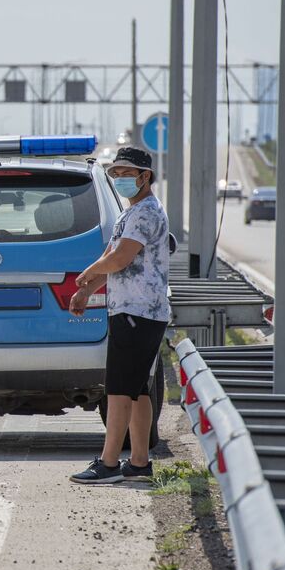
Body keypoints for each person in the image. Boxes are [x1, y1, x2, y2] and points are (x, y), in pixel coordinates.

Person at [70, 146, 172, 484]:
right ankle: (140, 462)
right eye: (117, 174)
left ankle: (109, 463)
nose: (121, 179)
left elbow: (120, 259)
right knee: (137, 389)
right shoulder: (131, 214)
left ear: (146, 177)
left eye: (128, 174)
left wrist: (86, 274)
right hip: (134, 311)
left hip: (139, 312)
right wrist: (87, 289)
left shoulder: (145, 213)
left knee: (117, 389)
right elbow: (111, 259)